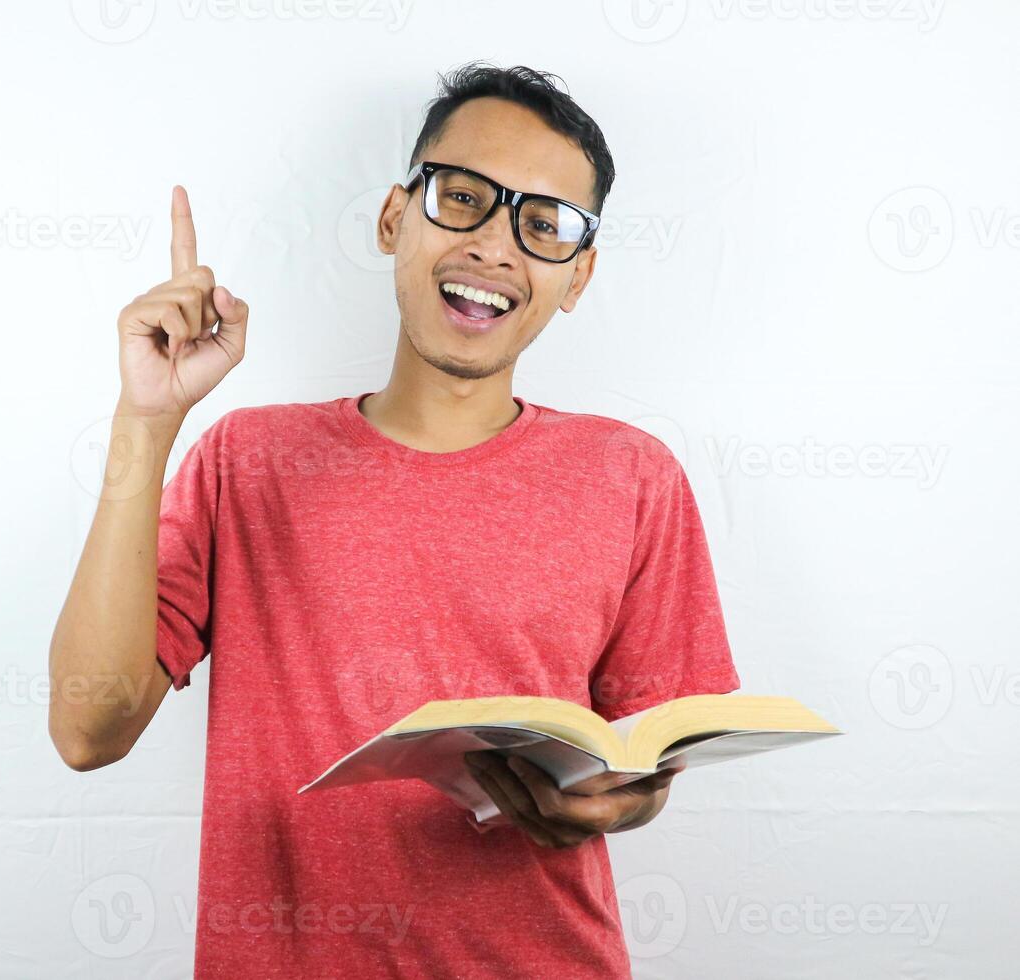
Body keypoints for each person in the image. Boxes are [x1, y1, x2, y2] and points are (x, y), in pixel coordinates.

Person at [48, 61, 741, 979]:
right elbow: (87, 732)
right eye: (463, 198)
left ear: (577, 276)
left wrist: (615, 804)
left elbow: (644, 762)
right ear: (393, 219)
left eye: (542, 225)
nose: (495, 247)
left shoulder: (633, 475)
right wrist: (147, 420)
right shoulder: (247, 461)